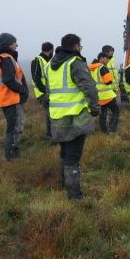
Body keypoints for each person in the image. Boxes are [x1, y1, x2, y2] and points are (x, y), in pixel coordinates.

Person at [44, 34, 99, 199]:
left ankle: (63, 185)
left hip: (57, 117)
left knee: (65, 153)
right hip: (75, 118)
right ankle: (75, 195)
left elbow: (48, 92)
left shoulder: (50, 66)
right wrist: (95, 108)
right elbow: (89, 87)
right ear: (76, 46)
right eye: (80, 47)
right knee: (73, 157)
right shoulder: (75, 63)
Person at [0, 33, 29, 160]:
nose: (17, 45)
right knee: (14, 129)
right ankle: (11, 157)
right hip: (11, 99)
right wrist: (22, 90)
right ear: (8, 44)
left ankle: (13, 155)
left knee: (13, 128)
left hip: (7, 98)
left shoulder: (3, 57)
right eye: (15, 42)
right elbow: (8, 80)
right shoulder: (6, 59)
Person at [89, 53, 120, 133]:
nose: (108, 60)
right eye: (107, 58)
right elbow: (108, 81)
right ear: (101, 58)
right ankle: (112, 129)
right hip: (107, 96)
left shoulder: (92, 69)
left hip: (98, 96)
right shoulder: (102, 68)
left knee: (102, 115)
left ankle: (104, 131)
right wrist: (111, 78)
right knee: (115, 111)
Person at [31, 41, 54, 140]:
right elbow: (36, 79)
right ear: (51, 50)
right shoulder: (37, 60)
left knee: (51, 115)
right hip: (43, 94)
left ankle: (52, 136)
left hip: (48, 93)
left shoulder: (47, 62)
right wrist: (45, 92)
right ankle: (50, 137)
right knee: (51, 116)